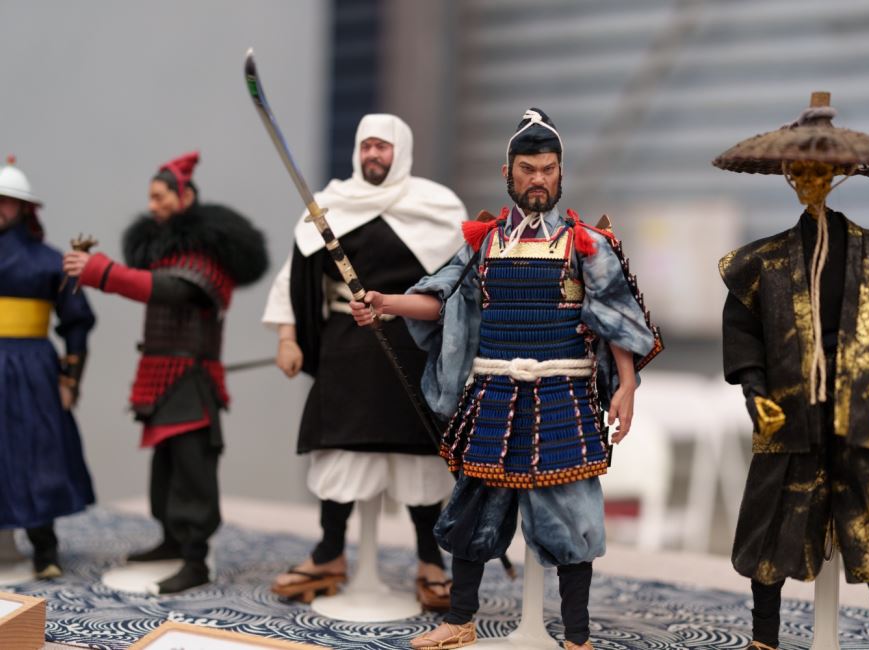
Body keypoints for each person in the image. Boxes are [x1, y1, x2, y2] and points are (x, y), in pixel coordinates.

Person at [349, 108, 661, 650]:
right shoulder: (485, 242)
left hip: (562, 397)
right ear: (507, 173)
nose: (538, 179)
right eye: (527, 169)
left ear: (560, 173)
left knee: (573, 518)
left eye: (547, 169)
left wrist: (627, 384)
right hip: (493, 395)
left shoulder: (585, 243)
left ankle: (578, 636)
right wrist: (386, 303)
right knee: (472, 508)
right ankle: (460, 619)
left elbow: (614, 316)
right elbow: (442, 298)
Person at [714, 94, 869, 650]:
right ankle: (764, 638)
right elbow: (743, 332)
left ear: (840, 173)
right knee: (769, 531)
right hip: (790, 418)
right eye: (800, 171)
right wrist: (755, 391)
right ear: (788, 173)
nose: (810, 181)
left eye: (820, 171)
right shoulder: (762, 263)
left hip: (864, 421)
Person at [262, 114, 465, 609]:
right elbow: (294, 277)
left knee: (420, 460)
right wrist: (288, 338)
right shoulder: (331, 205)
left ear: (402, 150)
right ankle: (329, 553)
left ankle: (430, 560)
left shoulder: (437, 207)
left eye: (383, 146)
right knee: (341, 453)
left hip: (413, 347)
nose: (374, 154)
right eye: (367, 145)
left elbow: (458, 285)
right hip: (346, 348)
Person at [63, 152, 268, 594]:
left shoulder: (206, 255)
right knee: (167, 469)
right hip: (161, 375)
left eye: (160, 197)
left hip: (191, 379)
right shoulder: (169, 253)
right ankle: (172, 539)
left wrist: (101, 272)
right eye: (151, 198)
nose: (152, 205)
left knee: (193, 470)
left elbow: (169, 289)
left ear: (185, 196)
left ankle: (196, 557)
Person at [0, 155, 96, 579]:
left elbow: (77, 321)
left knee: (38, 453)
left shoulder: (50, 260)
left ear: (24, 207)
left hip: (31, 368)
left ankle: (45, 548)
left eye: (7, 200)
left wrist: (70, 379)